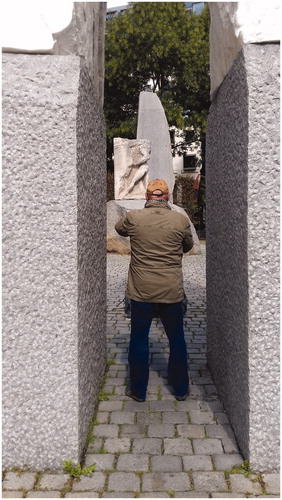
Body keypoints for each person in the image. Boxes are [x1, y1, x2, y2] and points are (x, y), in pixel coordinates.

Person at [115, 178, 194, 402]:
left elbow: (119, 228)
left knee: (138, 339)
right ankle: (180, 389)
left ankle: (138, 391)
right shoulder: (180, 220)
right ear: (167, 197)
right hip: (171, 290)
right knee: (177, 338)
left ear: (148, 197)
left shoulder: (134, 218)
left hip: (141, 290)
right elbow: (187, 246)